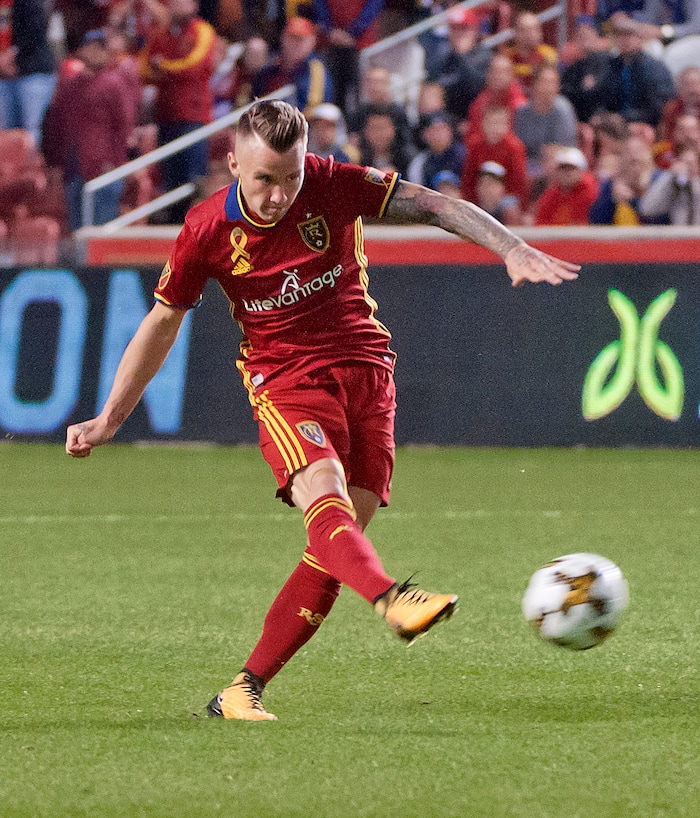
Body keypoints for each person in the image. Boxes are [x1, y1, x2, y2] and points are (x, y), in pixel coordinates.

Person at [65, 98, 579, 722]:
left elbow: (438, 205)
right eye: (264, 180)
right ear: (233, 164)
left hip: (367, 372)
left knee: (333, 545)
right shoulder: (205, 229)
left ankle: (241, 691)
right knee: (325, 498)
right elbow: (162, 321)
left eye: (290, 178)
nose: (280, 195)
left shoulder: (333, 184)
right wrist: (110, 419)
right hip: (284, 382)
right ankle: (393, 598)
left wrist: (509, 246)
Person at [41, 29, 136, 230]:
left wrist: (115, 163)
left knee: (102, 229)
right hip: (74, 165)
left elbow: (124, 126)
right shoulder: (69, 85)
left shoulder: (114, 83)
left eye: (100, 48)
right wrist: (56, 164)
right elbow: (56, 126)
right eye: (91, 47)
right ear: (82, 50)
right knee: (77, 227)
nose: (96, 52)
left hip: (103, 166)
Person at [140, 0, 217, 223]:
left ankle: (197, 227)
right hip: (166, 116)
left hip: (194, 116)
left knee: (193, 178)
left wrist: (162, 66)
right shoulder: (160, 33)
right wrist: (162, 68)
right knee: (170, 179)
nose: (175, 5)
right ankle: (176, 226)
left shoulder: (202, 30)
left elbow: (195, 65)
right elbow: (144, 68)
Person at [0, 0, 57, 146]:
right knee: (9, 133)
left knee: (32, 131)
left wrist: (11, 55)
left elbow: (35, 29)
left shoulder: (29, 3)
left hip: (33, 72)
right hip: (4, 76)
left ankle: (32, 167)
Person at [253, 17, 333, 115]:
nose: (295, 44)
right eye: (292, 37)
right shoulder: (270, 67)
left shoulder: (316, 70)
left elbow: (313, 108)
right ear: (282, 38)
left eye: (301, 39)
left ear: (312, 42)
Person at [513, 64, 578, 183]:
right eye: (544, 82)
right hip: (528, 163)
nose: (548, 87)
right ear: (535, 84)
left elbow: (562, 146)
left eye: (552, 83)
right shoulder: (522, 112)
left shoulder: (562, 109)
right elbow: (518, 146)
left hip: (560, 161)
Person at [534, 145, 599, 225]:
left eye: (572, 168)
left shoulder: (593, 192)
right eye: (563, 168)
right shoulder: (550, 195)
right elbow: (541, 223)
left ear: (582, 170)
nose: (567, 173)